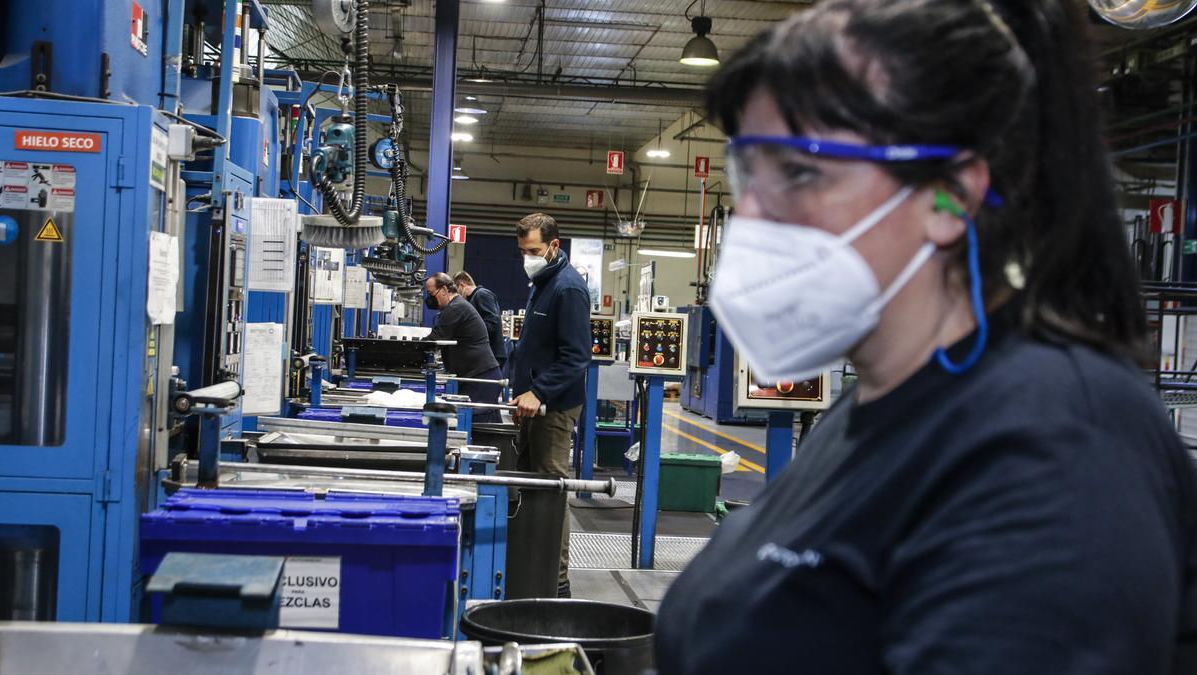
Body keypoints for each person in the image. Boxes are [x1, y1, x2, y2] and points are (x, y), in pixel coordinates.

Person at [654, 1, 1197, 673]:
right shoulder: (861, 413)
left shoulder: (1054, 442)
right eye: (750, 176)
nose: (754, 221)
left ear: (948, 198)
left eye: (799, 172)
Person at [509, 212, 592, 598]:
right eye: (524, 251)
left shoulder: (568, 288)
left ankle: (556, 584)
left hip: (554, 409)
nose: (528, 257)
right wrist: (518, 390)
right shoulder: (541, 281)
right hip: (532, 405)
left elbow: (576, 358)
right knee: (530, 485)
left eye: (535, 250)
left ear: (554, 246)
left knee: (551, 488)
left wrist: (538, 393)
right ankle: (530, 569)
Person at [424, 273, 502, 424]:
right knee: (486, 423)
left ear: (444, 290)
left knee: (474, 425)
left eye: (431, 293)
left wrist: (408, 350)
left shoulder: (455, 308)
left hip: (480, 377)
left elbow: (435, 339)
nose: (429, 299)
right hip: (480, 374)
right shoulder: (455, 306)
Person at [453, 271, 507, 369]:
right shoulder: (474, 299)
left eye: (456, 292)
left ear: (461, 285)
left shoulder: (482, 294)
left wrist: (468, 332)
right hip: (486, 354)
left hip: (492, 354)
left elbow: (491, 323)